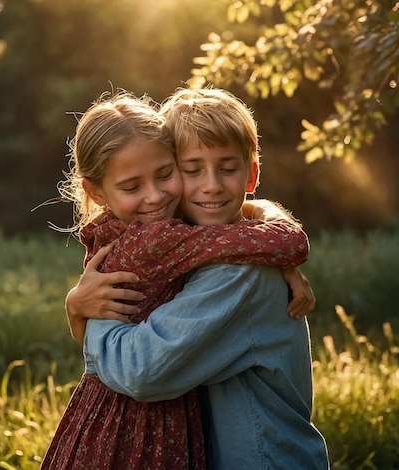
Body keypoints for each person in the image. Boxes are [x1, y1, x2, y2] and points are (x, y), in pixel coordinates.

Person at [40, 90, 314, 469]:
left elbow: (143, 371)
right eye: (190, 169)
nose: (212, 185)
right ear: (97, 192)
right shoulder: (166, 241)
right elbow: (274, 237)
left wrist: (85, 322)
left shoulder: (238, 271)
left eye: (164, 175)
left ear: (251, 174)